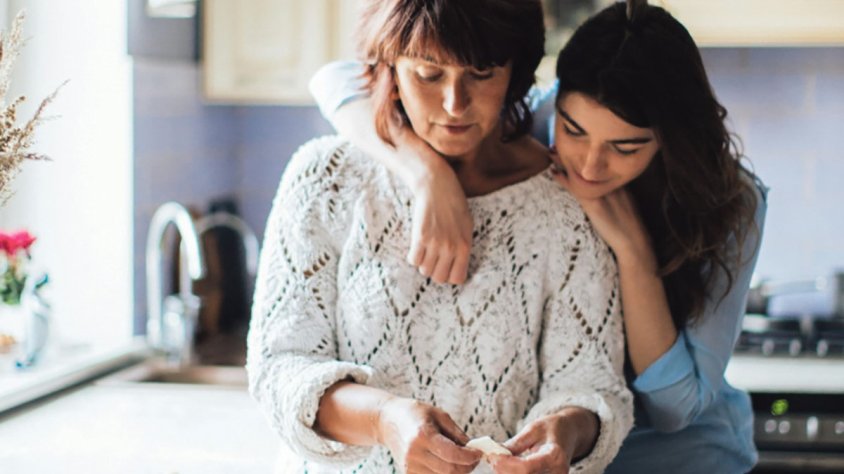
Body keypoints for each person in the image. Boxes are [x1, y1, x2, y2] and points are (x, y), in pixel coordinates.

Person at [308, 1, 768, 473]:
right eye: (573, 131)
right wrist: (424, 172)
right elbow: (338, 80)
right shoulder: (532, 120)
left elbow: (675, 409)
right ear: (556, 102)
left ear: (670, 138)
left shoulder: (731, 203)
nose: (589, 165)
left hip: (678, 457)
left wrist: (633, 253)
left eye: (625, 147)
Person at [247, 1, 634, 473]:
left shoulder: (565, 203)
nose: (455, 104)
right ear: (390, 66)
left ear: (515, 72)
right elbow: (279, 369)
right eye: (429, 75)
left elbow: (595, 384)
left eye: (482, 73)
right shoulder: (326, 179)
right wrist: (384, 420)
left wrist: (566, 432)